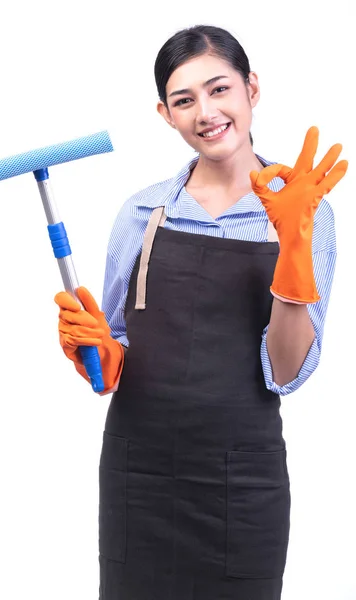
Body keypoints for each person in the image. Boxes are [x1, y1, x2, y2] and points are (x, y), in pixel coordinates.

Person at [54, 25, 348, 600]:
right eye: (184, 100)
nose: (206, 112)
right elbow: (114, 342)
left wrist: (293, 249)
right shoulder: (142, 213)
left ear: (251, 89)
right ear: (166, 114)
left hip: (243, 483)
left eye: (219, 90)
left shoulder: (305, 209)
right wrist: (101, 354)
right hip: (137, 478)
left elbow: (286, 373)